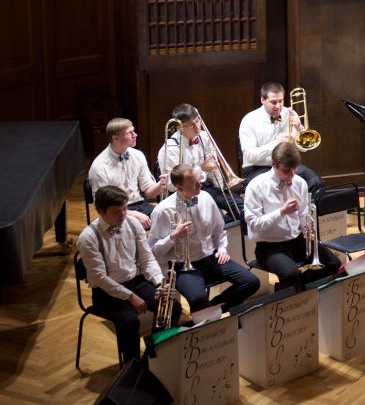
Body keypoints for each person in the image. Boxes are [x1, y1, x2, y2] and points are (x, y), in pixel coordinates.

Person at [76, 184, 178, 364]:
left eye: (125, 208)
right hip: (106, 292)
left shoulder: (132, 224)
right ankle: (133, 367)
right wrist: (130, 297)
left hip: (135, 282)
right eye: (116, 211)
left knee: (173, 306)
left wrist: (160, 282)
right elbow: (100, 278)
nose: (123, 215)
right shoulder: (88, 237)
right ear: (101, 211)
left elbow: (147, 258)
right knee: (130, 322)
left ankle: (153, 357)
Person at [149, 164, 258, 314]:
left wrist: (221, 248)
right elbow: (154, 250)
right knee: (198, 299)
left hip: (211, 258)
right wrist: (173, 236)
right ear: (179, 187)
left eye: (199, 180)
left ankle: (213, 310)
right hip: (183, 268)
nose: (200, 185)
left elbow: (218, 230)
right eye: (194, 184)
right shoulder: (162, 210)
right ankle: (206, 315)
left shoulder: (205, 197)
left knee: (251, 282)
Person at [243, 143, 339, 292]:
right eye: (287, 170)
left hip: (297, 241)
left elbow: (303, 214)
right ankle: (293, 290)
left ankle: (296, 289)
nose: (292, 174)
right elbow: (254, 224)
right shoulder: (256, 186)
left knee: (333, 264)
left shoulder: (299, 183)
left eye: (295, 169)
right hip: (269, 246)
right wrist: (281, 211)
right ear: (273, 164)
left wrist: (307, 228)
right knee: (290, 274)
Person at [238, 81, 325, 199]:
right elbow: (250, 156)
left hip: (286, 163)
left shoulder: (288, 114)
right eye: (273, 102)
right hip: (258, 167)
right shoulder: (249, 120)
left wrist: (299, 129)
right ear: (262, 100)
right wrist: (276, 144)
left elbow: (303, 150)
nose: (278, 106)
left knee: (316, 182)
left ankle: (308, 215)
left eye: (281, 101)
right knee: (274, 190)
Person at [157, 103, 243, 222]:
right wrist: (200, 168)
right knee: (215, 219)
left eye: (197, 121)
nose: (198, 127)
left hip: (207, 186)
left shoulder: (203, 137)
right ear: (179, 128)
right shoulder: (170, 148)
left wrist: (222, 188)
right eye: (191, 126)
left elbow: (212, 168)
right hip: (186, 192)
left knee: (242, 208)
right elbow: (171, 185)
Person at [88, 118, 167, 229]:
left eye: (133, 131)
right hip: (115, 212)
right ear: (115, 138)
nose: (135, 135)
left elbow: (149, 193)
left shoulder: (138, 155)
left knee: (169, 217)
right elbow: (103, 206)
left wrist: (160, 184)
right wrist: (134, 215)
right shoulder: (99, 166)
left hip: (140, 205)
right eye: (130, 133)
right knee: (140, 227)